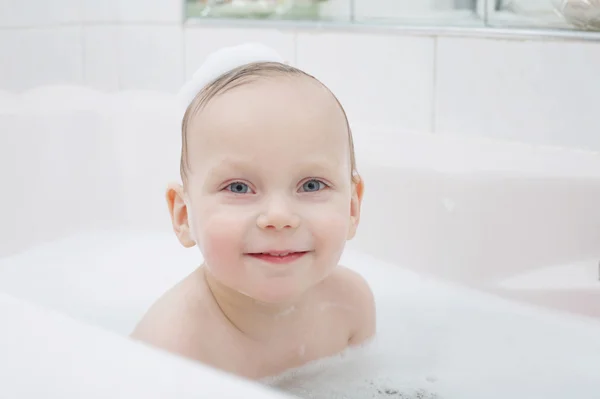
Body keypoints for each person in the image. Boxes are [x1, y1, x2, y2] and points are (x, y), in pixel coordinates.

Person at [131, 43, 376, 380]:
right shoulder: (170, 349)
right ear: (184, 216)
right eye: (238, 187)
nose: (279, 216)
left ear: (352, 206)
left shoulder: (351, 305)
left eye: (311, 185)